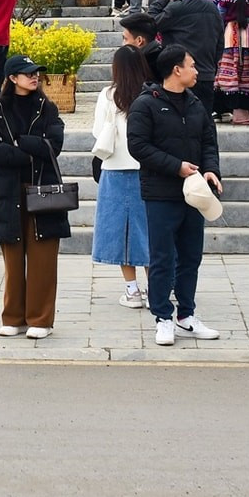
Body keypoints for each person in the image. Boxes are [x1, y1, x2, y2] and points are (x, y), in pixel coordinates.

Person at [127, 44, 224, 346]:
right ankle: (163, 317)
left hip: (194, 193)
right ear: (176, 70)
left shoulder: (196, 102)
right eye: (192, 66)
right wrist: (176, 167)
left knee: (191, 256)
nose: (197, 71)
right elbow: (138, 146)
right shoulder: (146, 104)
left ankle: (186, 315)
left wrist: (210, 170)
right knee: (162, 257)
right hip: (161, 192)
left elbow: (209, 141)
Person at [0, 54, 69, 337]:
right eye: (28, 72)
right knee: (13, 257)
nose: (34, 77)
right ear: (12, 78)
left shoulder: (47, 107)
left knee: (43, 258)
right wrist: (30, 152)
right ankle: (13, 318)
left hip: (42, 190)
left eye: (36, 73)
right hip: (8, 192)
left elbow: (52, 147)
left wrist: (19, 142)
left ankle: (40, 320)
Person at [92, 47, 152, 309]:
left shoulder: (107, 95)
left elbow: (97, 132)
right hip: (147, 169)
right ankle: (156, 287)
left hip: (114, 168)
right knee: (149, 230)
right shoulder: (152, 93)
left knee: (120, 231)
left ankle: (132, 290)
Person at [151, 0, 221, 108]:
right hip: (206, 74)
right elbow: (220, 42)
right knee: (205, 121)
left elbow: (149, 23)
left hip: (180, 76)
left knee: (180, 122)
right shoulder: (212, 8)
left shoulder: (177, 8)